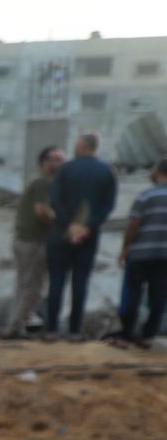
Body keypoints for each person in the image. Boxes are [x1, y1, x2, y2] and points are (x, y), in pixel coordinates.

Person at [46, 132, 119, 342]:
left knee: (56, 282)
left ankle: (51, 330)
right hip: (89, 236)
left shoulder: (65, 169)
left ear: (81, 145)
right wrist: (87, 226)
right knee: (81, 281)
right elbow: (108, 205)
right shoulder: (107, 171)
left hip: (60, 234)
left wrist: (70, 225)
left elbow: (55, 199)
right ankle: (74, 331)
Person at [5, 146, 63, 339]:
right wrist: (59, 227)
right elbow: (41, 211)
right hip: (34, 241)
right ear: (44, 162)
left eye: (61, 159)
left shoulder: (38, 180)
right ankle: (16, 326)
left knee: (23, 285)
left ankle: (14, 325)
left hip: (23, 240)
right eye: (55, 159)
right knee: (33, 288)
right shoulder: (43, 183)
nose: (59, 163)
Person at [116, 158, 167, 349]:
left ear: (158, 172)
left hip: (140, 254)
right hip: (165, 256)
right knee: (159, 296)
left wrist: (125, 248)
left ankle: (126, 335)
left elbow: (133, 224)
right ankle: (148, 336)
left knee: (132, 294)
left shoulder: (146, 195)